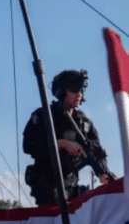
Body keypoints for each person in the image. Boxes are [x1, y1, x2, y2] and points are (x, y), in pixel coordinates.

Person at [23, 69, 113, 206]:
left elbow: (96, 152)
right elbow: (28, 145)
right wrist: (60, 143)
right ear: (61, 91)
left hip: (71, 185)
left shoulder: (84, 124)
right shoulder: (44, 116)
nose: (79, 94)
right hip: (48, 184)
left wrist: (102, 173)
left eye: (81, 90)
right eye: (74, 90)